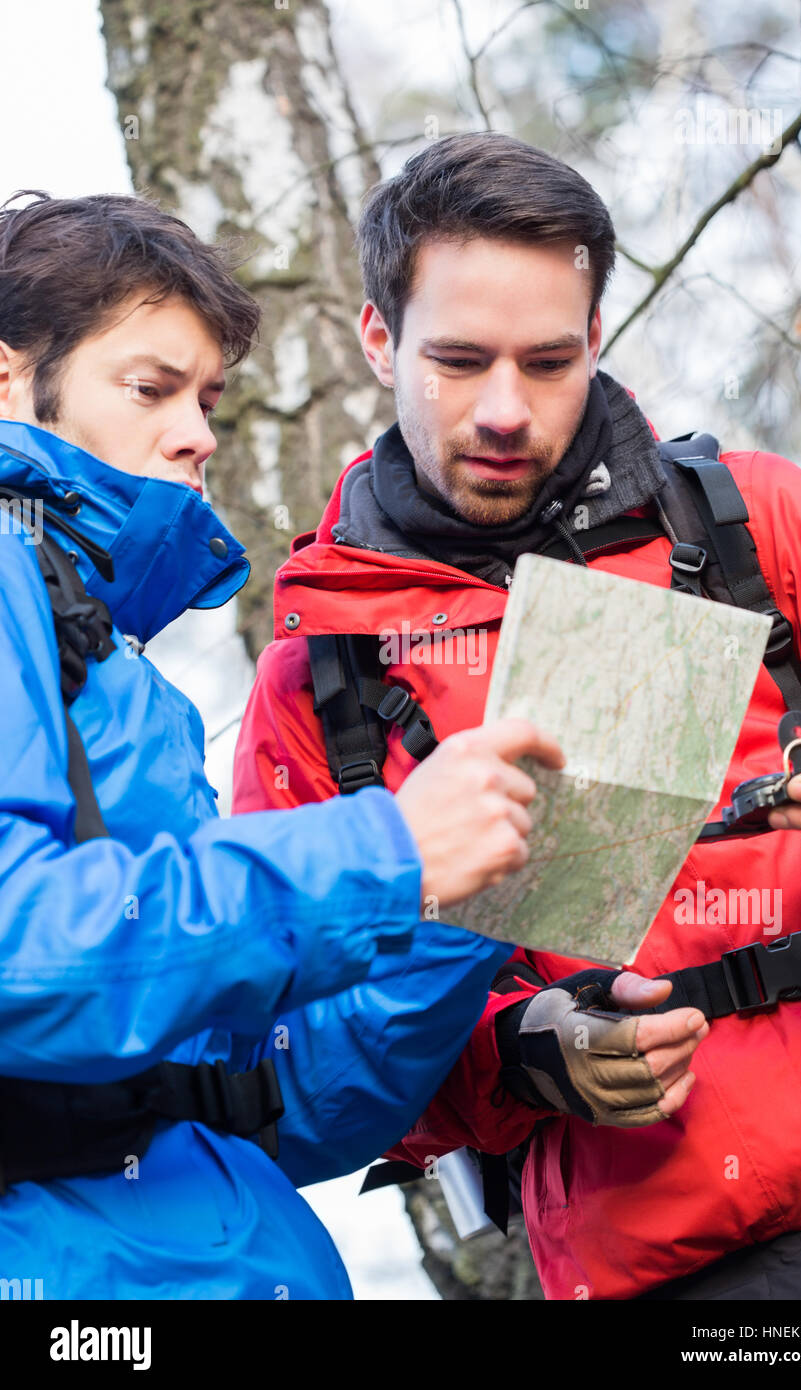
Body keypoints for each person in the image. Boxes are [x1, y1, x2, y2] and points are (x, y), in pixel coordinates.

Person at [234, 132, 801, 1301]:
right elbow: (305, 1064)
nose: (505, 412)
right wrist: (518, 1057)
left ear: (596, 340)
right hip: (678, 1265)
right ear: (378, 340)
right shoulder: (323, 680)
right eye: (460, 361)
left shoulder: (749, 523)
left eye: (549, 359)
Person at [0, 188, 568, 1300]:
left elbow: (266, 1104)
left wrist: (469, 907)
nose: (198, 432)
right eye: (151, 387)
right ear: (9, 377)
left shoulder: (116, 668)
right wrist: (386, 852)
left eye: (207, 397)